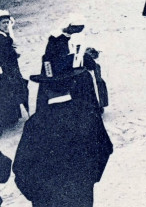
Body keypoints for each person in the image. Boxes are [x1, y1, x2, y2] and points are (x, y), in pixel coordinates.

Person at [14, 54, 113, 207]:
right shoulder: (88, 114)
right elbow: (105, 149)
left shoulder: (35, 123)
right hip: (81, 195)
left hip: (46, 200)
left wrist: (37, 195)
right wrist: (89, 179)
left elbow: (21, 168)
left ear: (45, 89)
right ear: (72, 84)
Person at [0, 10, 27, 129]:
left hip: (11, 67)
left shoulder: (4, 36)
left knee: (13, 90)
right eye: (3, 23)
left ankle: (13, 117)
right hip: (6, 69)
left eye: (7, 22)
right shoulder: (2, 38)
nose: (6, 25)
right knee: (10, 90)